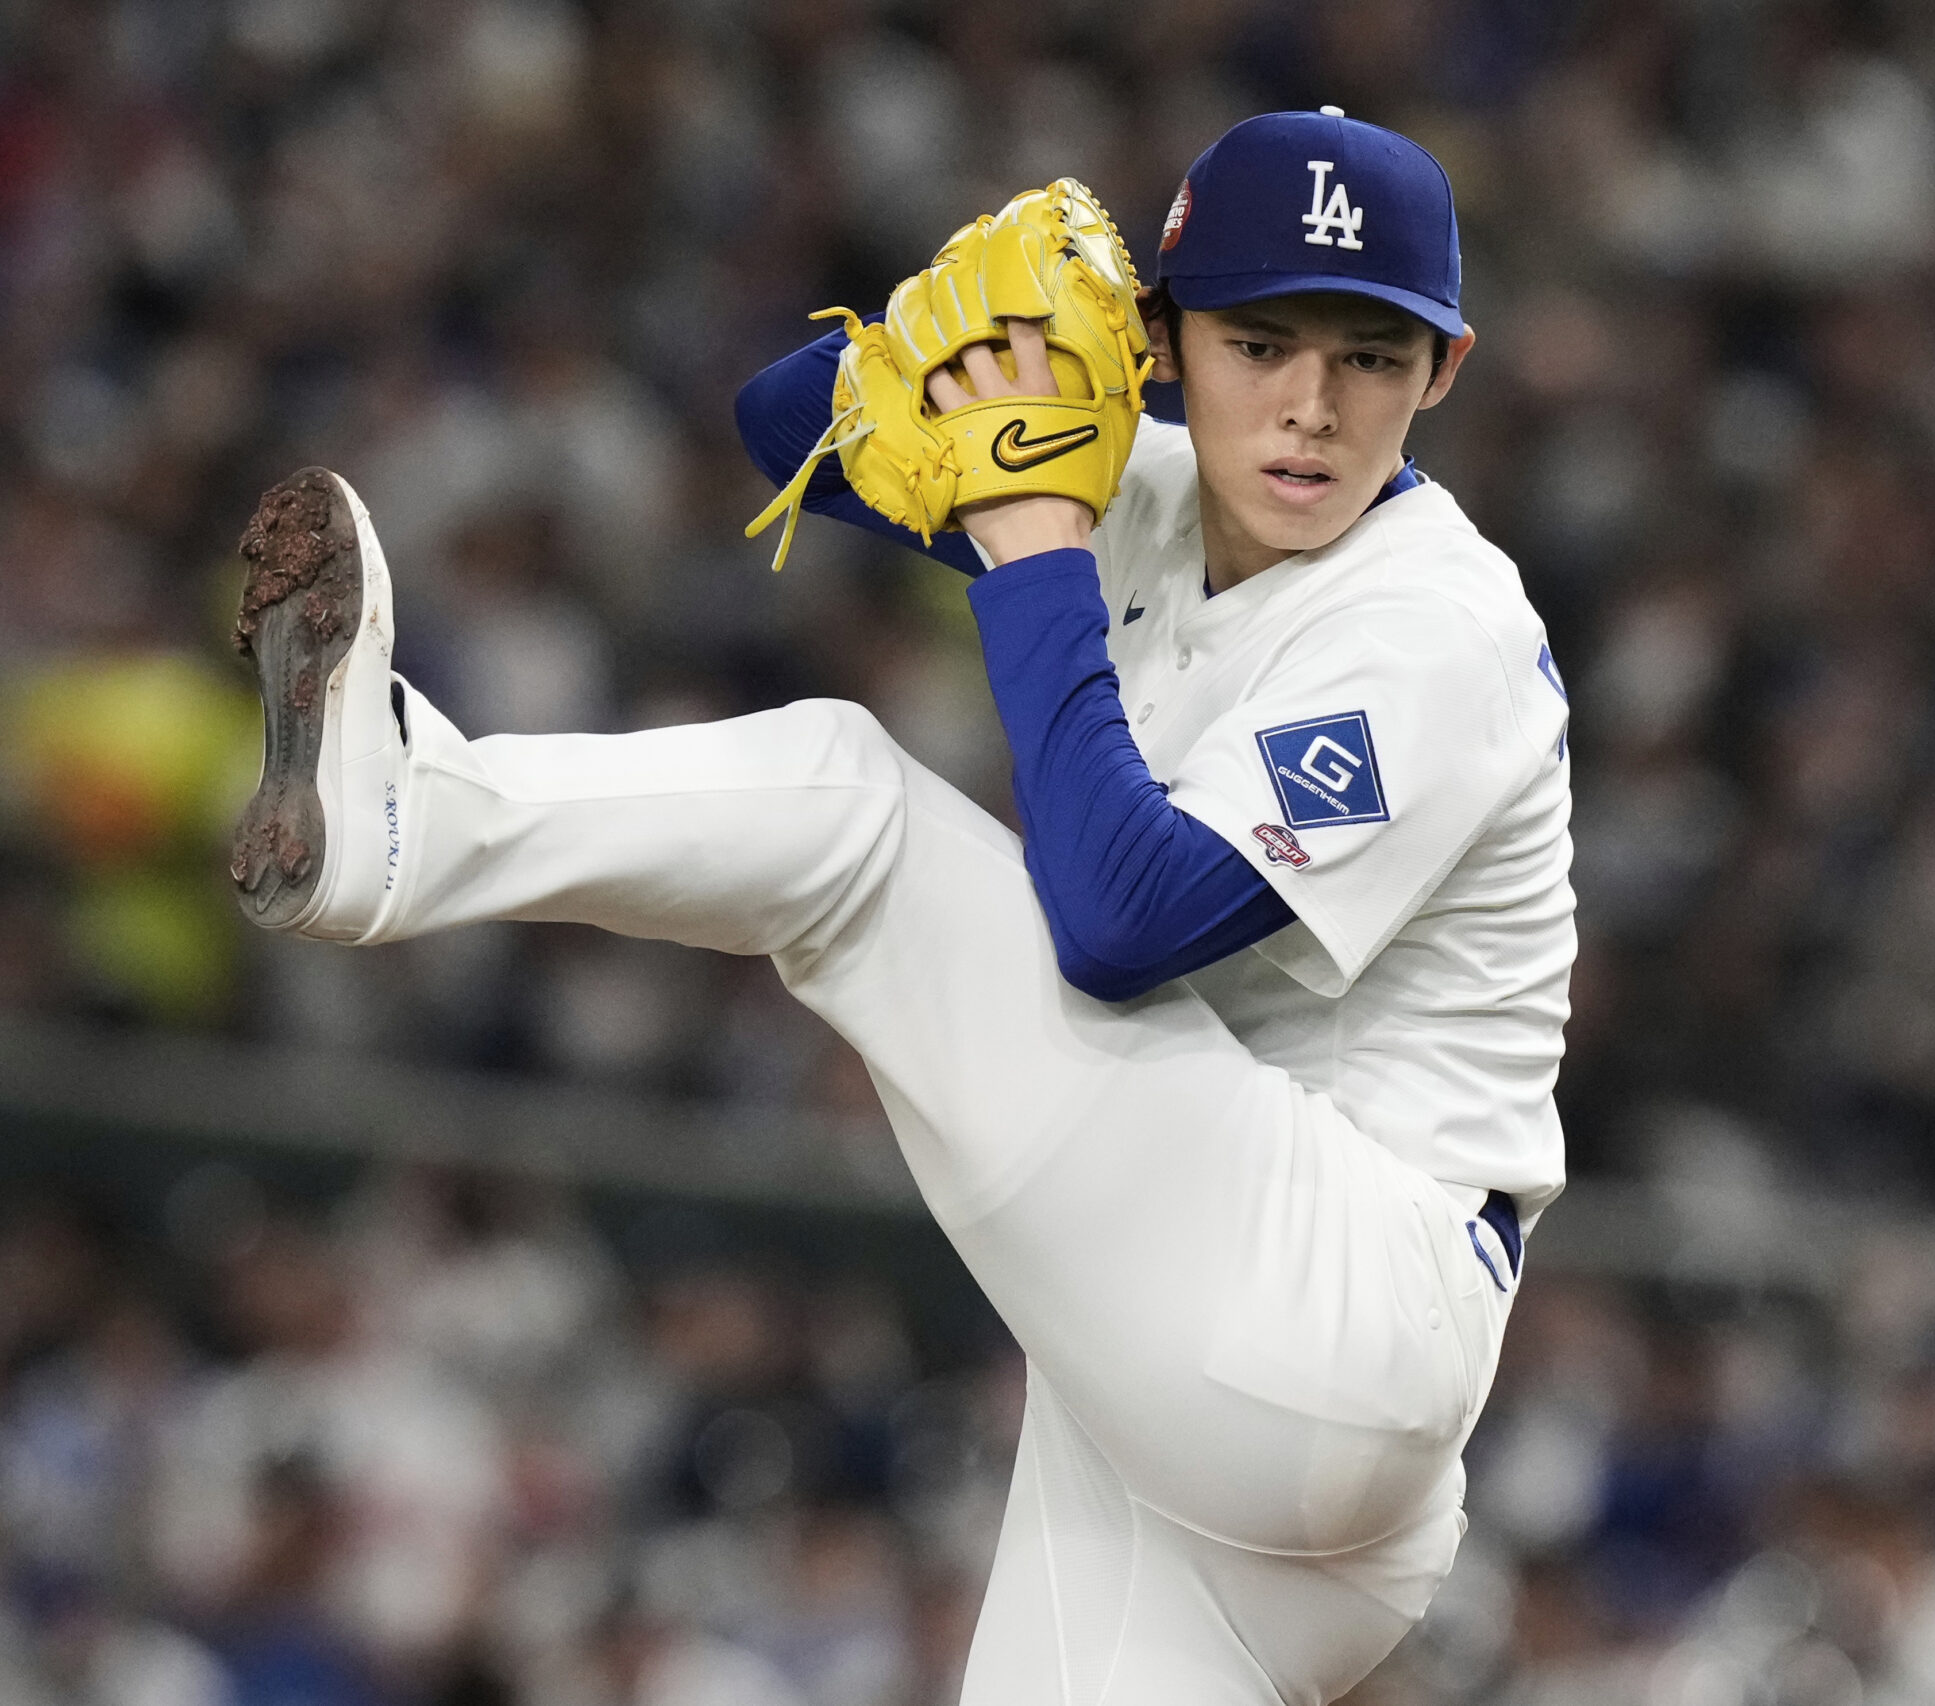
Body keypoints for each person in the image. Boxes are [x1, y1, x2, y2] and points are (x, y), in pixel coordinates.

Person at [226, 109, 1573, 1704]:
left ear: (1445, 371)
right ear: (1162, 340)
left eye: (1369, 354)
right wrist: (994, 319)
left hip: (1341, 1307)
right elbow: (782, 422)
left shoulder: (1436, 624)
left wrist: (1024, 541)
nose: (1309, 403)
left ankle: (407, 818)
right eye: (1259, 338)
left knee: (853, 815)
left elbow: (1121, 924)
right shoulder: (1135, 473)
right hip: (1203, 1414)